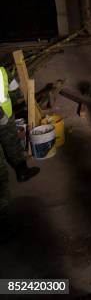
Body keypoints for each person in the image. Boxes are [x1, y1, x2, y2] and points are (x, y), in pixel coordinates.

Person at [0, 66, 41, 243]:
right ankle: (3, 219)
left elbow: (12, 86)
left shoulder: (1, 70)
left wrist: (22, 101)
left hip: (5, 120)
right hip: (2, 119)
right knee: (0, 173)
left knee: (13, 145)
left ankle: (22, 170)